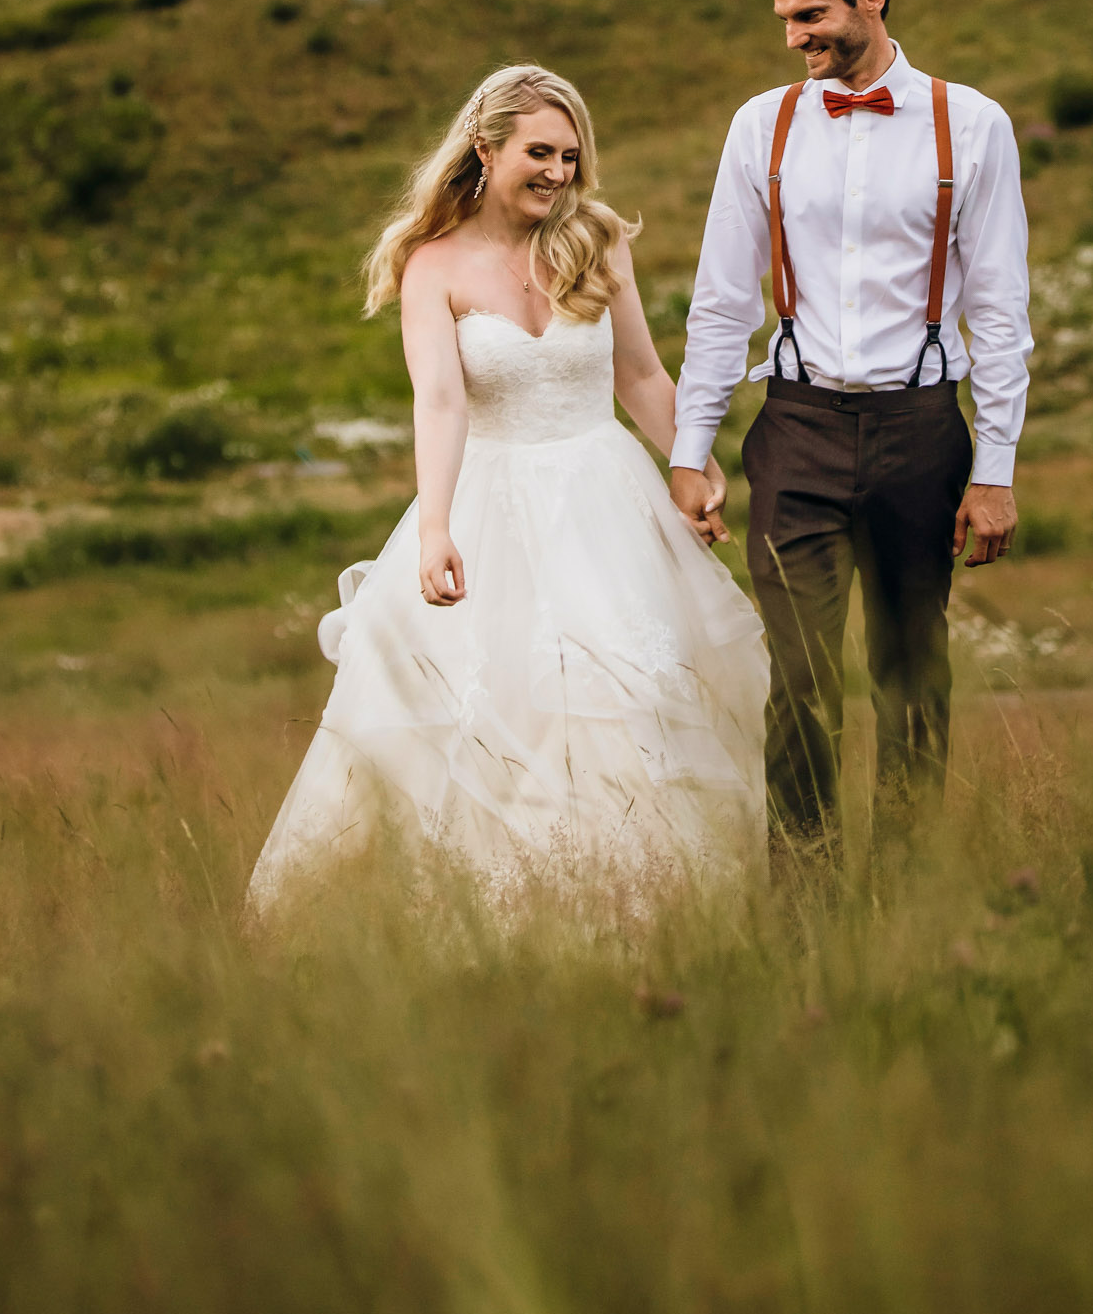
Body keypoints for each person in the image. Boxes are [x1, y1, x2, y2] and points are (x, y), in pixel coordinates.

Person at [248, 63, 768, 914]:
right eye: (538, 153)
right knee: (492, 716)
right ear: (485, 148)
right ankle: (492, 914)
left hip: (606, 503)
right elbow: (442, 401)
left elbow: (639, 375)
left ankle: (640, 912)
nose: (558, 174)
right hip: (493, 505)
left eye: (570, 156)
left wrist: (693, 465)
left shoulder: (594, 239)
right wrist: (435, 529)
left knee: (626, 701)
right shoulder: (432, 264)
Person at [669, 0, 1032, 833]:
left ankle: (903, 907)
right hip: (795, 431)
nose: (793, 38)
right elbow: (721, 301)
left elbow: (997, 310)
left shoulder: (973, 124)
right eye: (786, 20)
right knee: (796, 679)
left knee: (912, 674)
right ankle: (806, 902)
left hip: (921, 430)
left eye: (809, 15)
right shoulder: (763, 125)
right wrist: (689, 447)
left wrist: (993, 470)